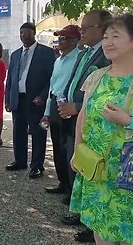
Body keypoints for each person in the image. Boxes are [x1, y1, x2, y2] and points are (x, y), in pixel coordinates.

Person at [70, 14, 133, 245]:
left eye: (115, 36)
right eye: (105, 37)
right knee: (101, 227)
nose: (108, 42)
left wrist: (129, 120)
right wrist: (77, 151)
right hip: (97, 167)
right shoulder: (96, 77)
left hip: (132, 170)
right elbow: (83, 116)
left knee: (132, 231)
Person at [59, 10, 113, 243]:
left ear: (103, 28)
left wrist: (77, 106)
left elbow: (107, 96)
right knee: (79, 167)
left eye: (85, 28)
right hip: (73, 119)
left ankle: (94, 228)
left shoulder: (107, 54)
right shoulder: (86, 52)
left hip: (93, 125)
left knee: (91, 172)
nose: (81, 31)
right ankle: (84, 216)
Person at [5, 22, 55, 179]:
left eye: (26, 33)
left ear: (33, 33)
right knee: (18, 131)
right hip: (18, 99)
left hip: (36, 100)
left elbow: (52, 78)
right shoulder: (15, 54)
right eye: (21, 33)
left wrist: (43, 95)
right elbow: (11, 78)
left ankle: (37, 165)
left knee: (38, 132)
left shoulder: (46, 53)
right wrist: (8, 99)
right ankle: (20, 161)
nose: (23, 36)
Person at [40, 25, 82, 195]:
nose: (60, 41)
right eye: (59, 38)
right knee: (57, 147)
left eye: (64, 38)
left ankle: (72, 189)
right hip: (56, 104)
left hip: (70, 107)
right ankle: (63, 183)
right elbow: (52, 86)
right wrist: (47, 113)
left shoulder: (80, 58)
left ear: (74, 40)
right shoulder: (58, 60)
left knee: (69, 148)